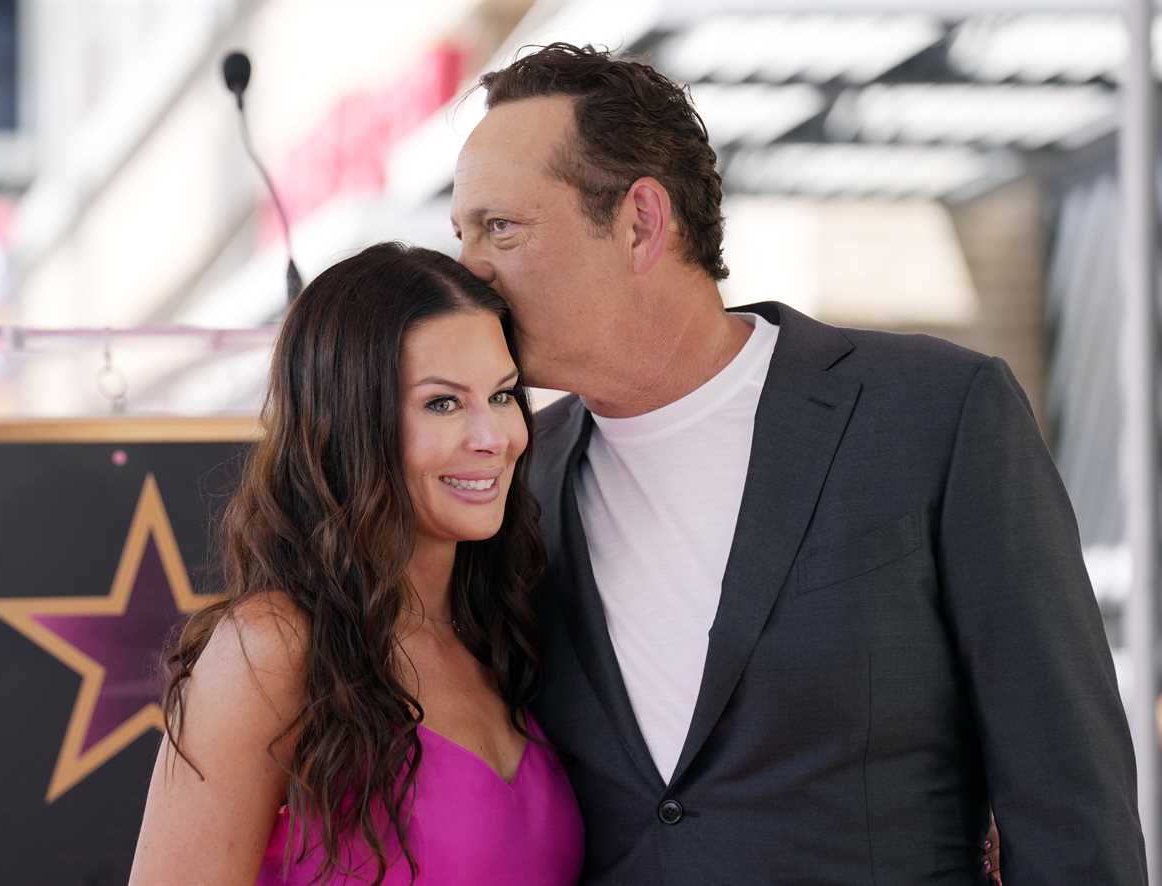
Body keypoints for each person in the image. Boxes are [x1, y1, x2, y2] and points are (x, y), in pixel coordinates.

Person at [451, 43, 1145, 884]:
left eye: (502, 229)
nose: (469, 274)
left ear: (640, 222)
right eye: (462, 234)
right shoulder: (508, 482)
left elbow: (1067, 792)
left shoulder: (933, 411)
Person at [128, 243, 583, 885]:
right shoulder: (272, 648)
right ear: (352, 423)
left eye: (504, 395)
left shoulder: (502, 628)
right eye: (443, 404)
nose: (495, 437)